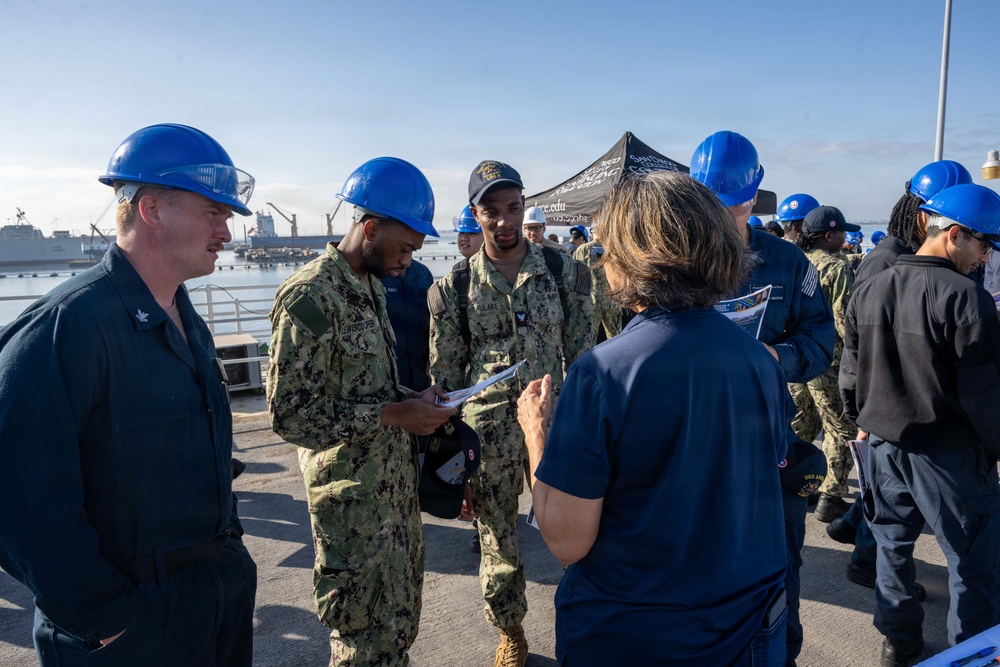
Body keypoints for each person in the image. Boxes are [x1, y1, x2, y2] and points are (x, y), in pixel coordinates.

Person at [0, 123, 258, 665]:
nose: (227, 233)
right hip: (129, 626)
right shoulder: (67, 326)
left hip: (214, 598)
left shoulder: (188, 320)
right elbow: (18, 500)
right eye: (214, 213)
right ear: (152, 209)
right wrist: (101, 618)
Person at [517, 171, 793, 666]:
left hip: (635, 634)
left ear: (634, 256)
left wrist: (537, 434)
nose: (602, 261)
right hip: (749, 627)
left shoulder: (602, 372)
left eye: (608, 247)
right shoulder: (760, 361)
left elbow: (566, 541)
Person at [267, 157, 456, 666]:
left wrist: (411, 399)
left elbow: (367, 386)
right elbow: (290, 414)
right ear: (370, 228)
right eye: (404, 248)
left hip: (391, 497)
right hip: (351, 510)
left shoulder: (370, 286)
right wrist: (393, 415)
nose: (408, 261)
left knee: (395, 633)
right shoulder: (310, 297)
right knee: (359, 643)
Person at [428, 160, 593, 667]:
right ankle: (511, 633)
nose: (504, 221)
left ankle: (586, 625)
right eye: (491, 211)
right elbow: (446, 385)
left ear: (524, 208)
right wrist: (455, 464)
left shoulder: (567, 272)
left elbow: (586, 360)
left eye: (513, 208)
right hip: (488, 436)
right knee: (497, 540)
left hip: (556, 424)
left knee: (577, 532)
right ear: (475, 215)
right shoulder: (452, 288)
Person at [840, 183, 1000, 667]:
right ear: (954, 234)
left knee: (891, 548)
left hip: (883, 447)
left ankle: (899, 643)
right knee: (973, 562)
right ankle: (972, 654)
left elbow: (850, 374)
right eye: (985, 244)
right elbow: (984, 397)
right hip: (949, 454)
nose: (986, 257)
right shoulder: (968, 299)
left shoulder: (869, 288)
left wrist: (863, 423)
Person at [690, 131, 834, 667]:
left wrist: (777, 358)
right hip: (691, 446)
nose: (720, 219)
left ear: (754, 200)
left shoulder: (788, 263)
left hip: (766, 441)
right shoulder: (673, 259)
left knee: (779, 569)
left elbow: (822, 341)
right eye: (709, 206)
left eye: (730, 208)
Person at [826, 160, 973, 597]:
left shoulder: (912, 260)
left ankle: (850, 531)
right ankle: (864, 562)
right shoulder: (886, 260)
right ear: (926, 216)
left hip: (896, 410)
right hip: (892, 413)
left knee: (888, 508)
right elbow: (862, 340)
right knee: (890, 515)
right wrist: (864, 413)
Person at [790, 206, 860, 523]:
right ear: (829, 236)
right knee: (841, 429)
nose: (845, 238)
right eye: (842, 233)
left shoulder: (794, 262)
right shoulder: (835, 268)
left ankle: (794, 481)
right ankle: (831, 497)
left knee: (802, 425)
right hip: (827, 361)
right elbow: (843, 320)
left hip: (794, 358)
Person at [380, 259, 434, 391]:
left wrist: (431, 357)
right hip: (387, 373)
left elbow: (433, 321)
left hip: (420, 369)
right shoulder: (377, 274)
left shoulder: (423, 273)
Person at [572, 224, 621, 342]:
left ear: (592, 233)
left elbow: (575, 275)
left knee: (589, 339)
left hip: (591, 300)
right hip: (612, 300)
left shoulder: (582, 249)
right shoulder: (615, 248)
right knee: (616, 338)